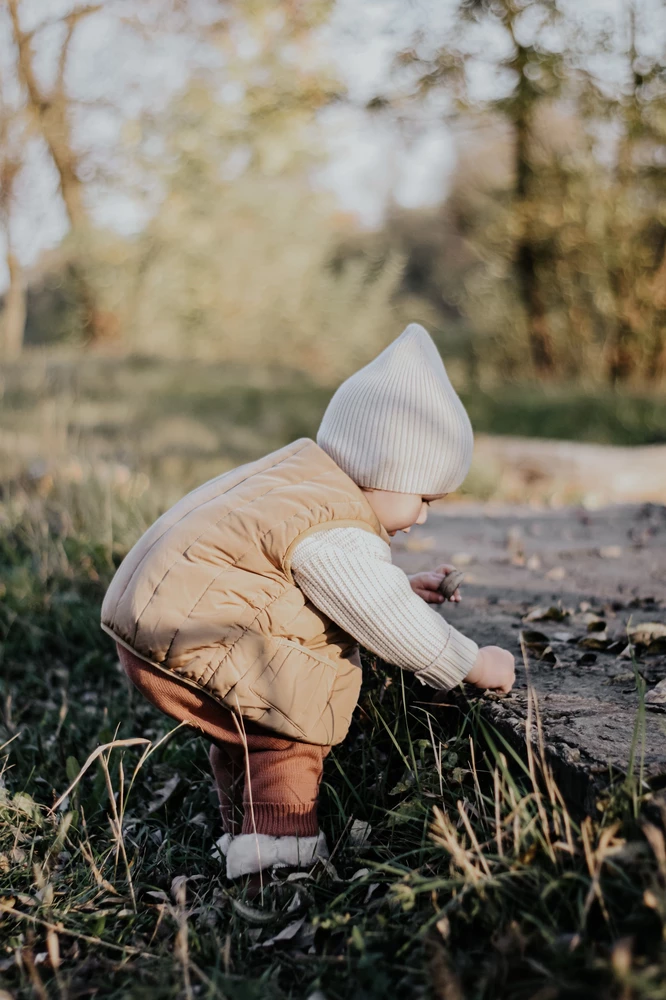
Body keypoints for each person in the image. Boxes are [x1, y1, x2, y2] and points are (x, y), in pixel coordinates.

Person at [101, 323, 515, 880]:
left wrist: (401, 582)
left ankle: (241, 832)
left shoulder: (305, 481)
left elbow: (302, 579)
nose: (422, 516)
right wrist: (473, 663)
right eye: (423, 498)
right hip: (194, 636)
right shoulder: (335, 525)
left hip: (158, 624)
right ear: (386, 469)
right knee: (287, 728)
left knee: (247, 726)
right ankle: (279, 859)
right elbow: (385, 618)